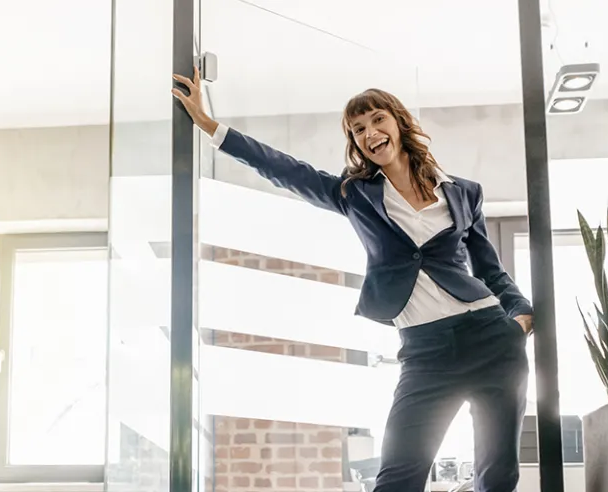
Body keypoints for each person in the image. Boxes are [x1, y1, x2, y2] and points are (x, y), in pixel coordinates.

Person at [173, 67, 534, 492]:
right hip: (425, 351)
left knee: (499, 476)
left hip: (491, 339)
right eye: (358, 128)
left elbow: (489, 269)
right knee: (398, 478)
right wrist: (209, 125)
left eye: (377, 119)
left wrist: (522, 316)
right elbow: (286, 169)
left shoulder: (463, 191)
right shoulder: (354, 194)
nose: (369, 132)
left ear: (398, 122)